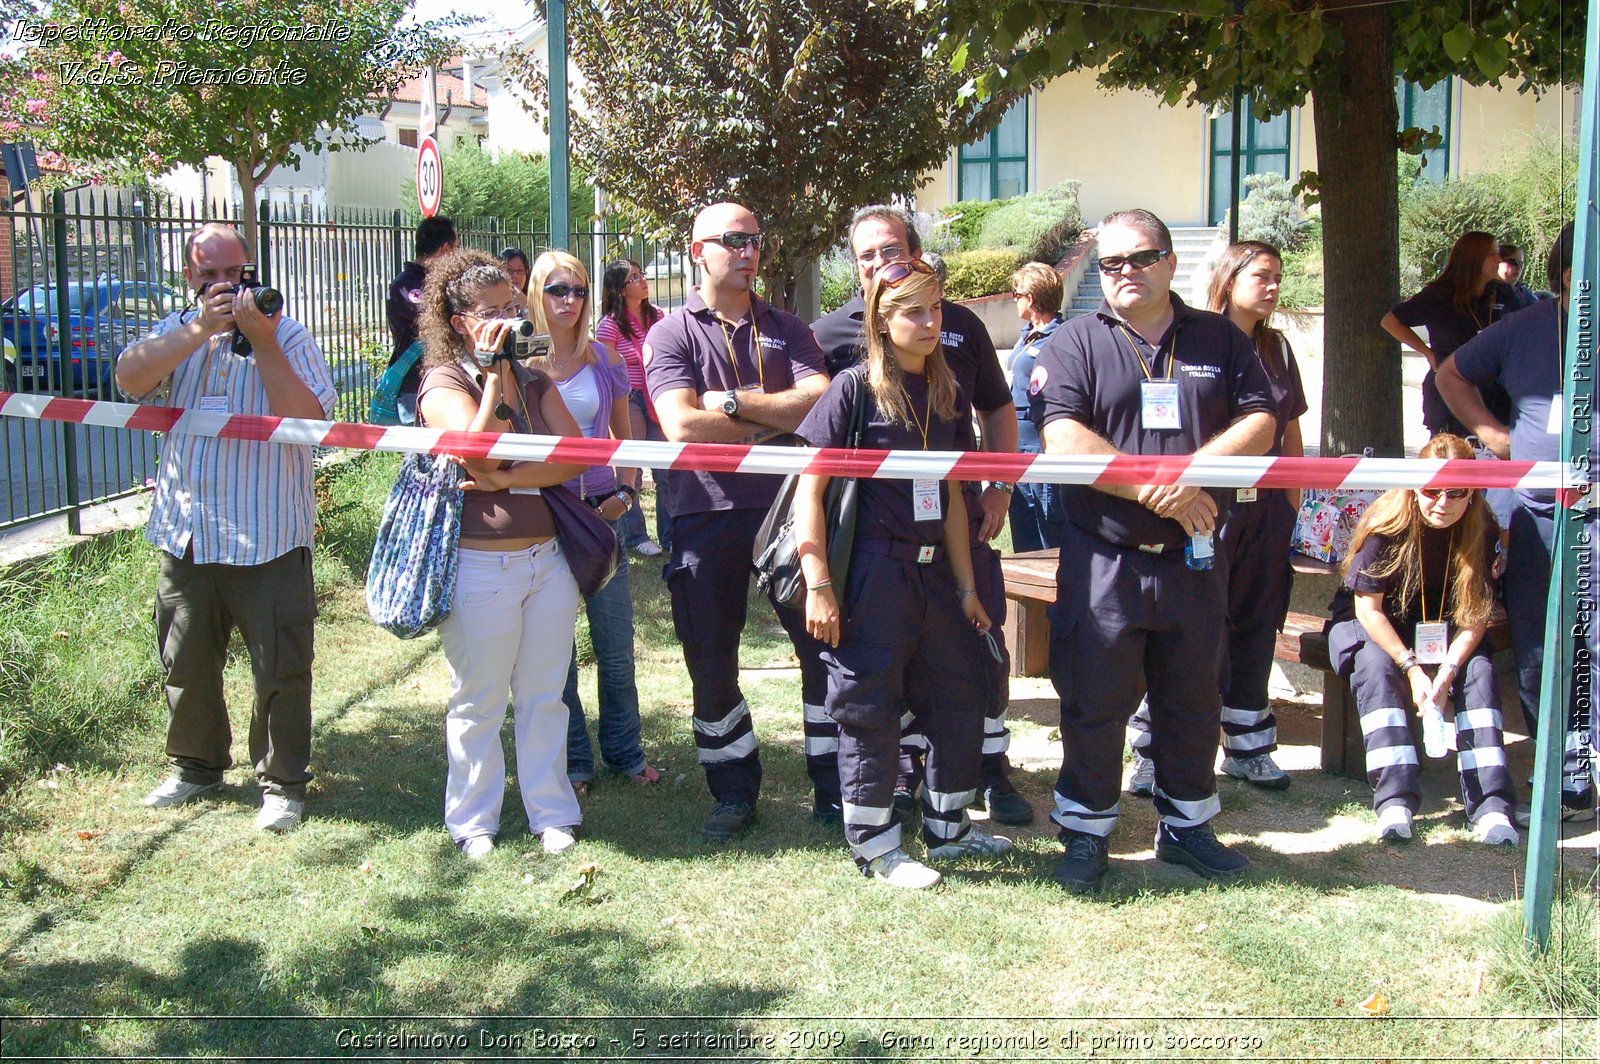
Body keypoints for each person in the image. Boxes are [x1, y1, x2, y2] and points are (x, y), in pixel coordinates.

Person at [1030, 208, 1278, 892]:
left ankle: (1188, 829)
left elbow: (1262, 419)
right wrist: (1156, 491)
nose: (1124, 274)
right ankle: (1085, 834)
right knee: (1094, 700)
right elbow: (1064, 439)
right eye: (1110, 264)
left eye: (1139, 259)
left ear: (1170, 262)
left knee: (1193, 699)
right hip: (1104, 559)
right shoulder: (1075, 340)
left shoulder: (1219, 338)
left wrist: (1192, 474)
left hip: (1196, 557)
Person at [795, 259, 1013, 888]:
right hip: (872, 572)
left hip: (937, 574)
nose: (929, 322)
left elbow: (947, 497)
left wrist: (968, 588)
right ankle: (875, 845)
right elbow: (812, 489)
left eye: (936, 308)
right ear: (882, 321)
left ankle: (949, 830)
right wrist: (819, 582)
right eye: (912, 311)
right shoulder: (854, 389)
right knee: (869, 702)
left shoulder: (947, 393)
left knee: (955, 691)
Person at [116, 222, 335, 832]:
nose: (220, 285)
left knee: (280, 669)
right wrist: (198, 331)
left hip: (266, 533)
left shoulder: (286, 333)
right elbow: (128, 379)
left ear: (250, 271)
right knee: (185, 661)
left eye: (231, 273)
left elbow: (312, 420)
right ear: (190, 278)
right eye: (206, 274)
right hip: (187, 532)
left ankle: (282, 782)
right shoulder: (179, 332)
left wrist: (261, 342)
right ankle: (197, 767)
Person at [644, 202, 837, 840]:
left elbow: (820, 402)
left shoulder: (788, 326)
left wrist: (731, 404)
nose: (750, 250)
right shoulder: (671, 332)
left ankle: (834, 787)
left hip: (790, 508)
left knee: (822, 648)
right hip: (704, 512)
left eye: (757, 239)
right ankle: (733, 791)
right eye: (734, 240)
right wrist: (774, 414)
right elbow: (680, 424)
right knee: (711, 659)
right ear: (698, 249)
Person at [415, 250, 590, 860]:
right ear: (460, 320)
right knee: (480, 697)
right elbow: (474, 453)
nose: (509, 319)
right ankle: (473, 823)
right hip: (479, 561)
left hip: (550, 560)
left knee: (545, 692)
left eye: (513, 306)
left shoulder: (537, 379)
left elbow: (578, 457)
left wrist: (504, 476)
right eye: (491, 311)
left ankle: (552, 813)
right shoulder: (443, 381)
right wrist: (492, 376)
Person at [1126, 241, 1307, 794]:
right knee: (1194, 627)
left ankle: (1249, 744)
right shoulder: (1200, 339)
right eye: (1262, 276)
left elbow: (1287, 426)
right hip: (1207, 505)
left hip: (1267, 508)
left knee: (1257, 619)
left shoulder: (1276, 348)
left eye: (1279, 277)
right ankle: (1154, 749)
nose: (1273, 287)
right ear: (1230, 280)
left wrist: (1294, 498)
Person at [1437, 222, 1593, 826]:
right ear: (1565, 276)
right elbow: (1450, 375)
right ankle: (1563, 771)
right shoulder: (1523, 328)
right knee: (1541, 648)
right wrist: (1491, 434)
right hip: (1542, 518)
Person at [1324, 434, 1519, 845]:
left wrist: (1446, 672)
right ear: (1415, 485)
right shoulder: (1387, 524)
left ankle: (1492, 806)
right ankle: (1394, 800)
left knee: (1479, 671)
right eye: (1431, 490)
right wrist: (1412, 668)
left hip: (1445, 629)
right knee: (1376, 667)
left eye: (1455, 492)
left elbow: (1476, 618)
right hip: (1375, 625)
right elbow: (1368, 610)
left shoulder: (1481, 530)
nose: (1441, 503)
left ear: (1473, 494)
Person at [523, 250, 662, 794]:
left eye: (579, 290)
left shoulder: (604, 357)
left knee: (615, 645)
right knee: (555, 654)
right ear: (537, 292)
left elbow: (628, 435)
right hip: (547, 513)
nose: (570, 300)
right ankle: (575, 762)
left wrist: (627, 493)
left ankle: (626, 754)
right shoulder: (520, 360)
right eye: (558, 289)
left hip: (603, 511)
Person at [1381, 231, 1507, 438]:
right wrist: (1428, 353)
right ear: (1473, 259)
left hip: (1494, 393)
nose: (1499, 260)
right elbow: (1391, 321)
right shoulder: (1439, 295)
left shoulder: (1504, 292)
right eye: (1492, 254)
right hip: (1450, 392)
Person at [598, 259, 668, 558]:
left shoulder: (659, 316)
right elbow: (605, 367)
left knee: (668, 467)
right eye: (634, 277)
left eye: (642, 275)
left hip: (658, 396)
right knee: (631, 469)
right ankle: (634, 535)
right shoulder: (609, 325)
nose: (643, 281)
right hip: (628, 399)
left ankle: (671, 534)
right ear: (620, 289)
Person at [1004, 261, 1066, 553]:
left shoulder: (1060, 338)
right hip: (1017, 446)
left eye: (1016, 294)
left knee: (1048, 529)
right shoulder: (1026, 333)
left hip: (1040, 445)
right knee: (1024, 529)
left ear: (1030, 298)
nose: (1013, 299)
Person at [387, 216, 457, 425]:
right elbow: (436, 318)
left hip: (443, 379)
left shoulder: (442, 281)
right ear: (446, 249)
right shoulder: (407, 285)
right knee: (418, 452)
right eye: (457, 247)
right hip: (415, 385)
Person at [1495, 243, 1540, 313]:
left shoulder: (1525, 294)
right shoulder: (1485, 292)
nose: (1518, 268)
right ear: (1497, 261)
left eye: (1521, 264)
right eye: (1513, 262)